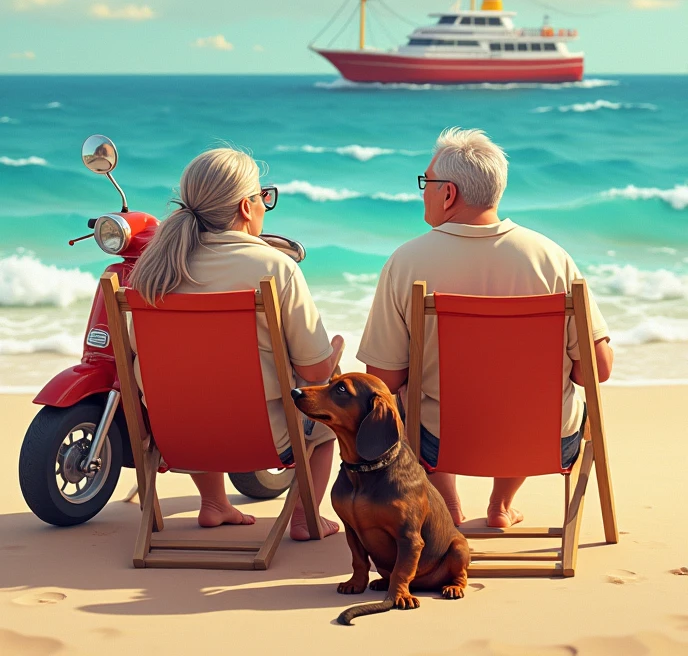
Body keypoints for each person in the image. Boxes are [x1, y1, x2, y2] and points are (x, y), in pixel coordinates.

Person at [356, 127, 613, 529]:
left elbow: (383, 378)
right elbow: (594, 370)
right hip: (545, 443)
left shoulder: (407, 262)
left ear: (448, 193)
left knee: (404, 388)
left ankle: (447, 505)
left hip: (438, 445)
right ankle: (501, 505)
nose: (422, 191)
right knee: (555, 390)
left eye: (426, 182)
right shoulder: (551, 257)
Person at [128, 147, 343, 540]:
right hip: (265, 439)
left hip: (178, 437)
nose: (265, 204)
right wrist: (333, 356)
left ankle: (214, 503)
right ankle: (303, 516)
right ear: (247, 206)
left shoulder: (152, 272)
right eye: (264, 197)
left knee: (192, 384)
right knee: (329, 416)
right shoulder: (274, 267)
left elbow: (138, 358)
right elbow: (315, 372)